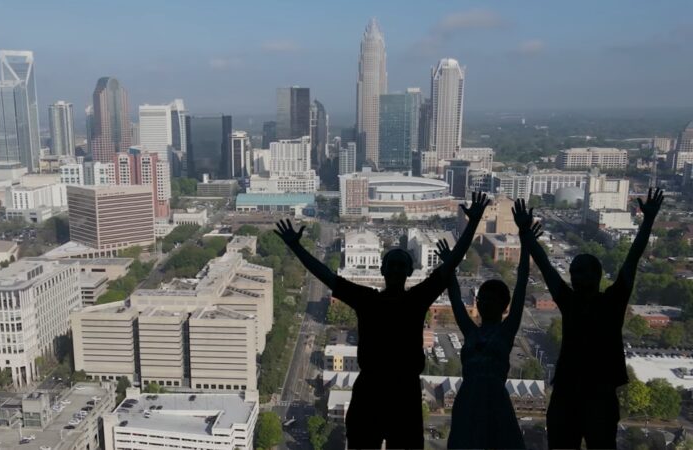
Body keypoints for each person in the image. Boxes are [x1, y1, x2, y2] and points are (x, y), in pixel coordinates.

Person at [275, 192, 490, 449]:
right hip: (373, 392)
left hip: (402, 394)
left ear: (409, 272)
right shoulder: (372, 299)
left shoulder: (414, 299)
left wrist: (474, 223)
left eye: (402, 265)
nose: (397, 269)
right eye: (393, 264)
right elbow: (326, 276)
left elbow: (451, 263)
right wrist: (296, 247)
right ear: (383, 270)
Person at [521, 188, 664, 449]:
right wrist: (528, 238)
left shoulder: (611, 302)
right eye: (574, 272)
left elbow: (632, 259)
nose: (575, 277)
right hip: (567, 393)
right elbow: (546, 267)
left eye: (581, 272)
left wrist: (648, 222)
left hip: (599, 395)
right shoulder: (570, 301)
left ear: (596, 276)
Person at [436, 198, 540, 449]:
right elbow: (454, 293)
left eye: (494, 300)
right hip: (468, 402)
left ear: (504, 307)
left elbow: (522, 283)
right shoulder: (470, 330)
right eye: (483, 299)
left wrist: (526, 240)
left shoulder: (506, 332)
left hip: (495, 404)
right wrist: (449, 263)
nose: (486, 303)